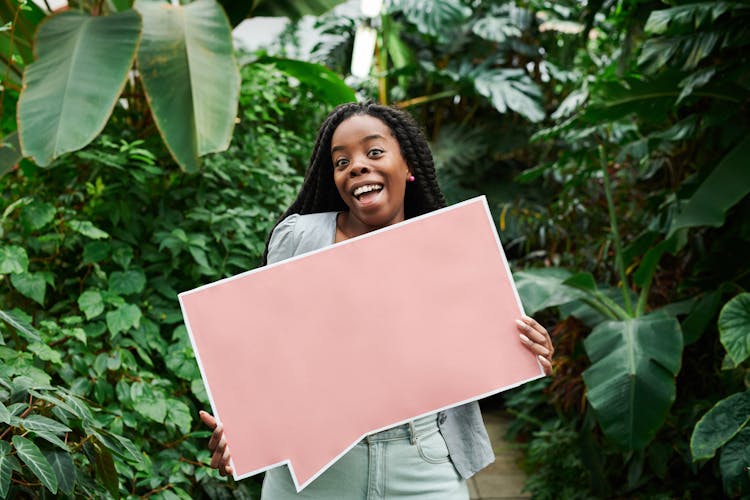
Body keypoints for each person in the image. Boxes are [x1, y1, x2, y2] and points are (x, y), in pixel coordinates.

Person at [198, 101, 554, 499]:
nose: (357, 166)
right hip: (320, 471)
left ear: (409, 165)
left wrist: (525, 349)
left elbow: (473, 359)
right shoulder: (300, 238)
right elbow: (267, 357)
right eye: (341, 161)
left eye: (375, 152)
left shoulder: (449, 248)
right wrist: (244, 432)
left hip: (423, 463)